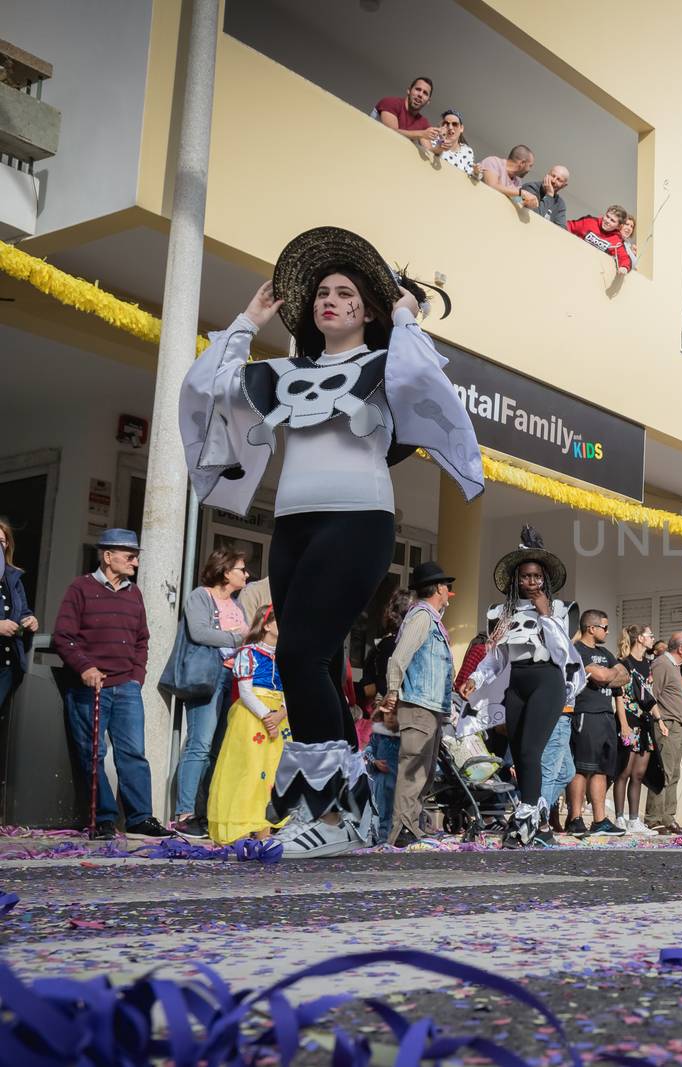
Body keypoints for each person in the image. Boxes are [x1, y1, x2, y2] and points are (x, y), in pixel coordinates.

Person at [180, 227, 482, 858]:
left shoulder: (387, 364)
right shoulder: (287, 371)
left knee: (297, 657)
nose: (329, 301)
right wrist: (246, 321)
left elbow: (427, 382)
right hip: (292, 526)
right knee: (312, 664)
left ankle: (332, 817)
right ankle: (346, 814)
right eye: (321, 292)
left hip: (358, 521)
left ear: (367, 308)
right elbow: (210, 388)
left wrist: (405, 316)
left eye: (345, 293)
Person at [463, 528, 581, 848]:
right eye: (526, 577)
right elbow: (495, 659)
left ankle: (526, 818)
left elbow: (561, 654)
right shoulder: (500, 614)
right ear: (516, 580)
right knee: (519, 758)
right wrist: (475, 679)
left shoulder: (560, 611)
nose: (531, 582)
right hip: (515, 685)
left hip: (547, 682)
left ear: (545, 580)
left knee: (530, 750)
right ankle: (539, 824)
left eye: (537, 577)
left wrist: (545, 616)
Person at [54, 529, 170, 840]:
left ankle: (139, 818)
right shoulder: (81, 588)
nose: (135, 562)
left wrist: (137, 676)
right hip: (90, 687)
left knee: (133, 753)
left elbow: (142, 640)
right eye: (129, 556)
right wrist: (85, 667)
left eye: (136, 556)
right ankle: (103, 819)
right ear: (108, 557)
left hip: (126, 687)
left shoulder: (134, 594)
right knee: (92, 753)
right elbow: (63, 637)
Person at [171, 548, 251, 839]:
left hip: (232, 678)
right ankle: (184, 813)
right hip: (208, 675)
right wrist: (237, 637)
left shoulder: (236, 604)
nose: (246, 574)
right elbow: (200, 632)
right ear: (226, 571)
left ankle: (207, 811)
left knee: (218, 750)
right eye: (242, 569)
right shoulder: (200, 596)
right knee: (199, 745)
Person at [381, 562, 457, 848]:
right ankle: (402, 829)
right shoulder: (422, 616)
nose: (450, 592)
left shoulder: (432, 619)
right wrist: (392, 692)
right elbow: (399, 657)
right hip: (418, 705)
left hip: (431, 706)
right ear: (438, 588)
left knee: (423, 772)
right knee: (413, 769)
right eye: (447, 587)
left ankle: (411, 825)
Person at [207, 607, 289, 845]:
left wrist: (280, 714)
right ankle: (240, 827)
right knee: (249, 770)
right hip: (253, 716)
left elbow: (289, 690)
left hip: (279, 717)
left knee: (272, 771)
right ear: (266, 625)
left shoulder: (284, 656)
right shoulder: (248, 653)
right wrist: (267, 716)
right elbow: (245, 691)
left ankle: (264, 826)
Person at [566, 609, 630, 837]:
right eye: (605, 627)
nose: (608, 631)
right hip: (585, 714)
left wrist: (607, 672)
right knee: (582, 768)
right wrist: (607, 674)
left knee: (601, 769)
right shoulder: (576, 651)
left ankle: (600, 820)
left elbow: (624, 676)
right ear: (591, 628)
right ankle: (574, 818)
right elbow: (602, 677)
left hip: (605, 716)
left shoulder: (605, 652)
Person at [362, 588, 412, 844]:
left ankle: (380, 831)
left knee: (383, 784)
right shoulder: (402, 645)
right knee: (394, 783)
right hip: (397, 710)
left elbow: (367, 687)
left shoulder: (379, 647)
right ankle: (389, 831)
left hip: (382, 710)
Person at [645, 632, 682, 833]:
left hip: (676, 725)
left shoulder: (673, 666)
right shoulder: (662, 664)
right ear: (681, 649)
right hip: (666, 724)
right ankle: (654, 818)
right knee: (663, 771)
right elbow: (651, 695)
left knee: (673, 773)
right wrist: (658, 721)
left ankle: (668, 816)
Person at [612, 624, 658, 835]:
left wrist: (661, 721)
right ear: (639, 638)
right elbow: (619, 697)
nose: (652, 638)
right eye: (649, 635)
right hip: (629, 722)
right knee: (624, 771)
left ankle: (634, 819)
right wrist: (623, 725)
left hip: (645, 723)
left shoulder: (648, 665)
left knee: (639, 774)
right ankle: (619, 818)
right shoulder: (624, 663)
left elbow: (648, 696)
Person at [0, 518, 39, 710]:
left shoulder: (14, 579)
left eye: (1, 541)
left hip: (8, 668)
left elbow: (23, 612)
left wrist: (29, 622)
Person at [566, 206, 634, 273]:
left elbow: (624, 258)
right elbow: (568, 226)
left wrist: (624, 267)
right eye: (607, 216)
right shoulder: (589, 222)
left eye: (612, 220)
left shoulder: (616, 241)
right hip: (572, 259)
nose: (607, 221)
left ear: (619, 226)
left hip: (591, 271)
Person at [373, 76, 439, 144]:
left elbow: (429, 149)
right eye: (418, 89)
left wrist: (441, 147)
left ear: (428, 101)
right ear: (409, 90)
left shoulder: (423, 122)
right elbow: (391, 133)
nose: (420, 94)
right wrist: (421, 134)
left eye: (425, 93)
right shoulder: (390, 102)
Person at [427, 109, 474, 173]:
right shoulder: (434, 138)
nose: (450, 127)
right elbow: (431, 153)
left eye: (454, 124)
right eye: (446, 124)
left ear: (461, 128)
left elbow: (470, 174)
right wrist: (441, 139)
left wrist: (477, 173)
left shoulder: (467, 151)